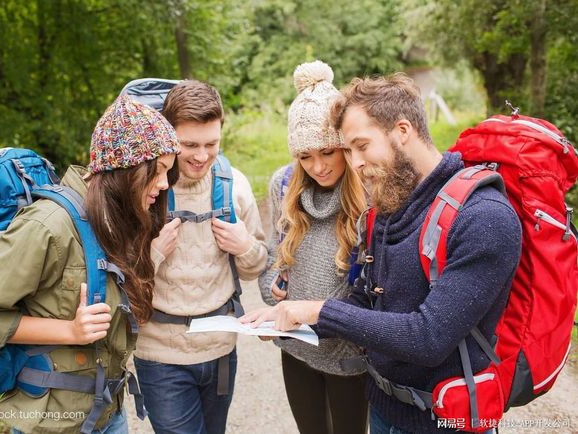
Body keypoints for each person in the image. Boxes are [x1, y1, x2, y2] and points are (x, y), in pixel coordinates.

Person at [242, 73, 522, 434]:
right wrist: (290, 317)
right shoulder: (390, 203)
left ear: (401, 131)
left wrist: (319, 310)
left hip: (445, 421)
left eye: (361, 145)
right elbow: (366, 301)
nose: (354, 163)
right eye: (349, 150)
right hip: (384, 409)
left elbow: (428, 337)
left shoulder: (484, 217)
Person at [0, 94, 180, 434]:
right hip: (53, 423)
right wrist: (69, 331)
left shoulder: (118, 217)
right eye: (158, 170)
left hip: (108, 413)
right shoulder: (48, 226)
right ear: (127, 167)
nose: (164, 184)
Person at [133, 80, 267, 434]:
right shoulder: (145, 191)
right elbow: (120, 282)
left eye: (212, 144)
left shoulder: (233, 184)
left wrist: (245, 247)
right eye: (189, 145)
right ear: (167, 137)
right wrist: (154, 254)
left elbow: (255, 268)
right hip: (161, 356)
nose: (201, 156)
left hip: (221, 351)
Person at [258, 60, 369, 434]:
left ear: (345, 146)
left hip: (349, 354)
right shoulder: (283, 186)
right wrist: (275, 291)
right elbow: (275, 258)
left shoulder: (369, 195)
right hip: (297, 348)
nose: (318, 167)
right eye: (305, 157)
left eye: (327, 152)